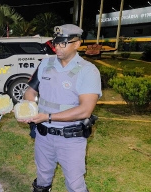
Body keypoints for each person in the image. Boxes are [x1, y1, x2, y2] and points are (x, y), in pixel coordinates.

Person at [18, 24, 102, 192]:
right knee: (42, 179)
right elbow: (30, 91)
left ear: (77, 44)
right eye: (55, 43)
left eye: (63, 43)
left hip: (71, 139)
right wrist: (29, 106)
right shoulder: (46, 64)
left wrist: (48, 116)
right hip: (43, 136)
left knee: (75, 184)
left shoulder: (88, 71)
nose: (57, 47)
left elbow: (85, 110)